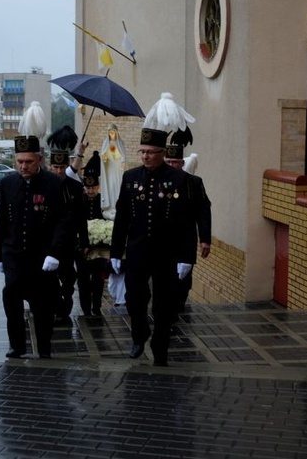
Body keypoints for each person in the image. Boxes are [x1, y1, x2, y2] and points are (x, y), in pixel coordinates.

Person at [109, 127, 193, 366]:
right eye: (142, 152)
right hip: (137, 251)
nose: (145, 156)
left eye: (151, 152)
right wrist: (116, 252)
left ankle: (160, 346)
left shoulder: (180, 180)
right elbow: (122, 218)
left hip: (167, 253)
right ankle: (139, 334)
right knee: (134, 298)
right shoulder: (131, 178)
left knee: (164, 305)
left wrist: (187, 257)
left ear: (162, 153)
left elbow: (188, 222)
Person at [0, 134, 71, 359]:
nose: (23, 166)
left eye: (28, 161)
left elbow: (63, 220)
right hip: (14, 254)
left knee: (42, 305)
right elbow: (1, 220)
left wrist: (54, 253)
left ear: (39, 160)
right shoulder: (7, 183)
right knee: (11, 298)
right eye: (19, 161)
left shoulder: (53, 183)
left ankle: (45, 347)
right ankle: (17, 345)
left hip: (41, 256)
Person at [164, 143, 212, 313]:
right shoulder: (157, 181)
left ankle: (178, 309)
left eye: (174, 162)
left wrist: (205, 239)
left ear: (181, 164)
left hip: (185, 242)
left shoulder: (193, 183)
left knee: (182, 282)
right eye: (167, 162)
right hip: (161, 242)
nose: (170, 165)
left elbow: (203, 211)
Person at [47, 145, 89, 323]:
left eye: (61, 167)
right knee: (49, 277)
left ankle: (66, 301)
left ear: (66, 167)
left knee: (68, 276)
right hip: (48, 240)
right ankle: (55, 306)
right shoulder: (44, 185)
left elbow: (81, 216)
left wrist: (85, 241)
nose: (58, 171)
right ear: (50, 167)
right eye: (55, 167)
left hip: (69, 240)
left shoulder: (75, 187)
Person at [76, 151, 108, 317]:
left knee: (98, 279)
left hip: (98, 249)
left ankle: (96, 306)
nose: (90, 191)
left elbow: (107, 223)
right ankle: (85, 308)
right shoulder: (78, 201)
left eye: (93, 188)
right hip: (81, 248)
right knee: (82, 279)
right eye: (87, 188)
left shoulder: (103, 202)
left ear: (97, 187)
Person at [99, 124, 126, 220]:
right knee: (110, 188)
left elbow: (122, 157)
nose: (112, 134)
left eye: (113, 132)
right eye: (110, 132)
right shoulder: (106, 144)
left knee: (118, 187)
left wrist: (121, 161)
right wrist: (104, 157)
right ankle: (110, 207)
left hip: (118, 171)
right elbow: (104, 159)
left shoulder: (120, 143)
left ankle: (117, 207)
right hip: (109, 172)